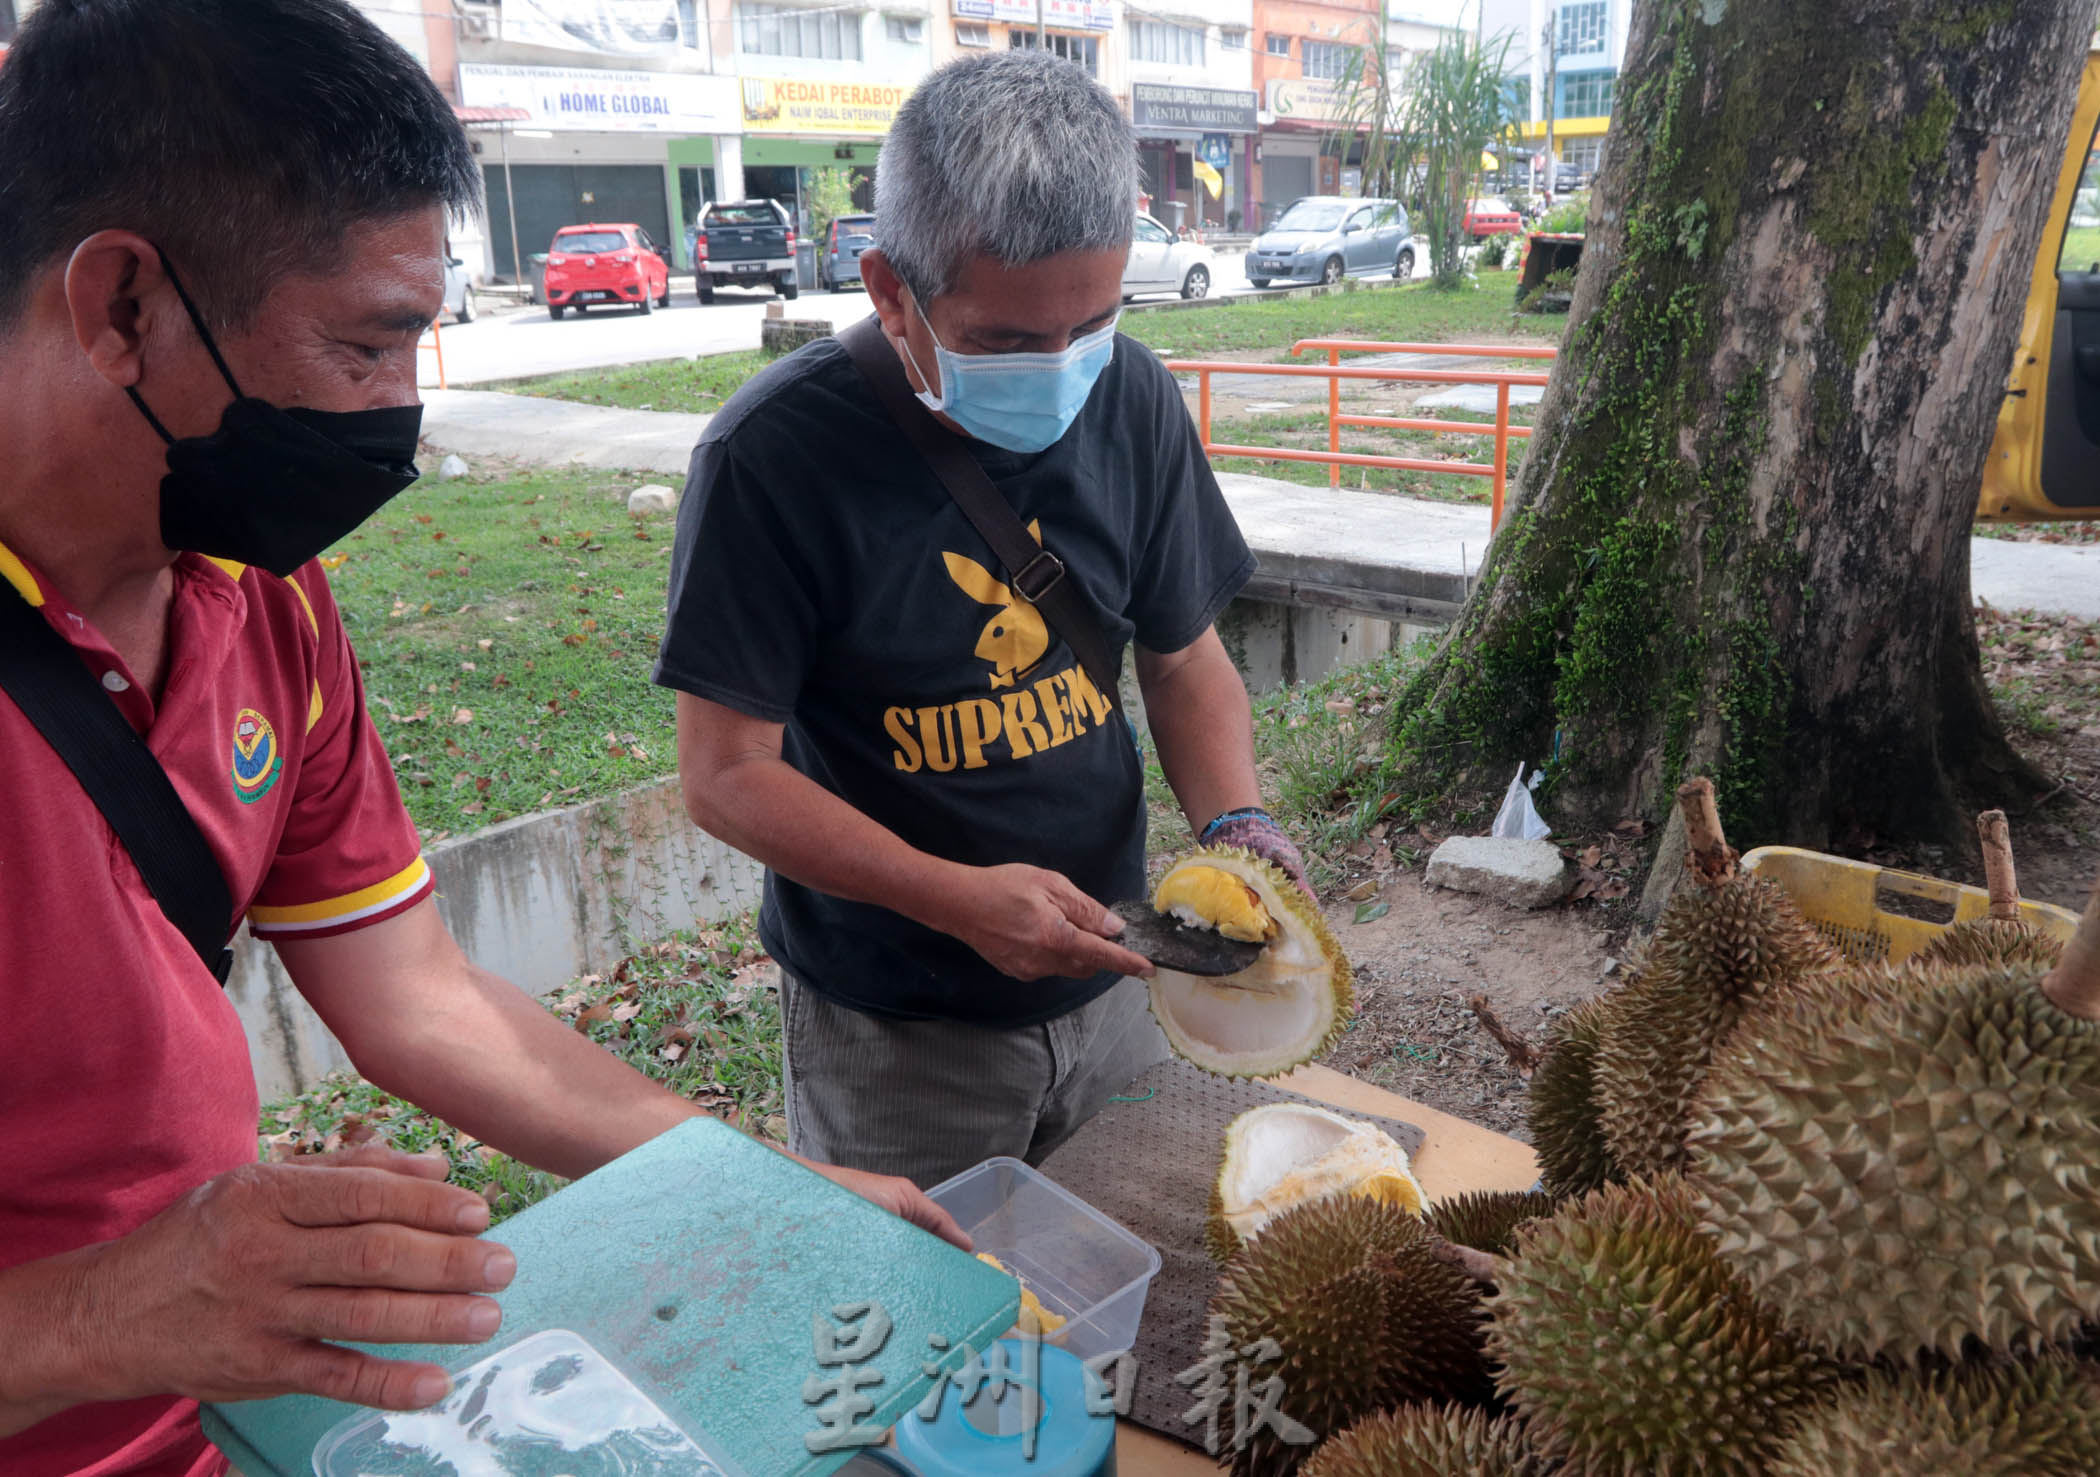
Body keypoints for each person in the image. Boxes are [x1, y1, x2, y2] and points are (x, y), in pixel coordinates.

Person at [0, 4, 959, 1472]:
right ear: (124, 304)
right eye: (365, 345)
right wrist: (109, 1310)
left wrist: (760, 1181)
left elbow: (415, 995)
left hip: (227, 1425)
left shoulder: (266, 606)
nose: (400, 415)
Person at [658, 50, 1310, 1191]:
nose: (1061, 369)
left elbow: (1184, 656)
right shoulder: (771, 459)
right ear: (889, 290)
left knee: (1110, 1290)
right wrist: (951, 898)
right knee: (931, 1320)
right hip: (897, 1028)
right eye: (1007, 341)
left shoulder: (1136, 398)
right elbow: (724, 776)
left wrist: (1237, 822)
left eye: (1092, 324)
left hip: (1118, 977)